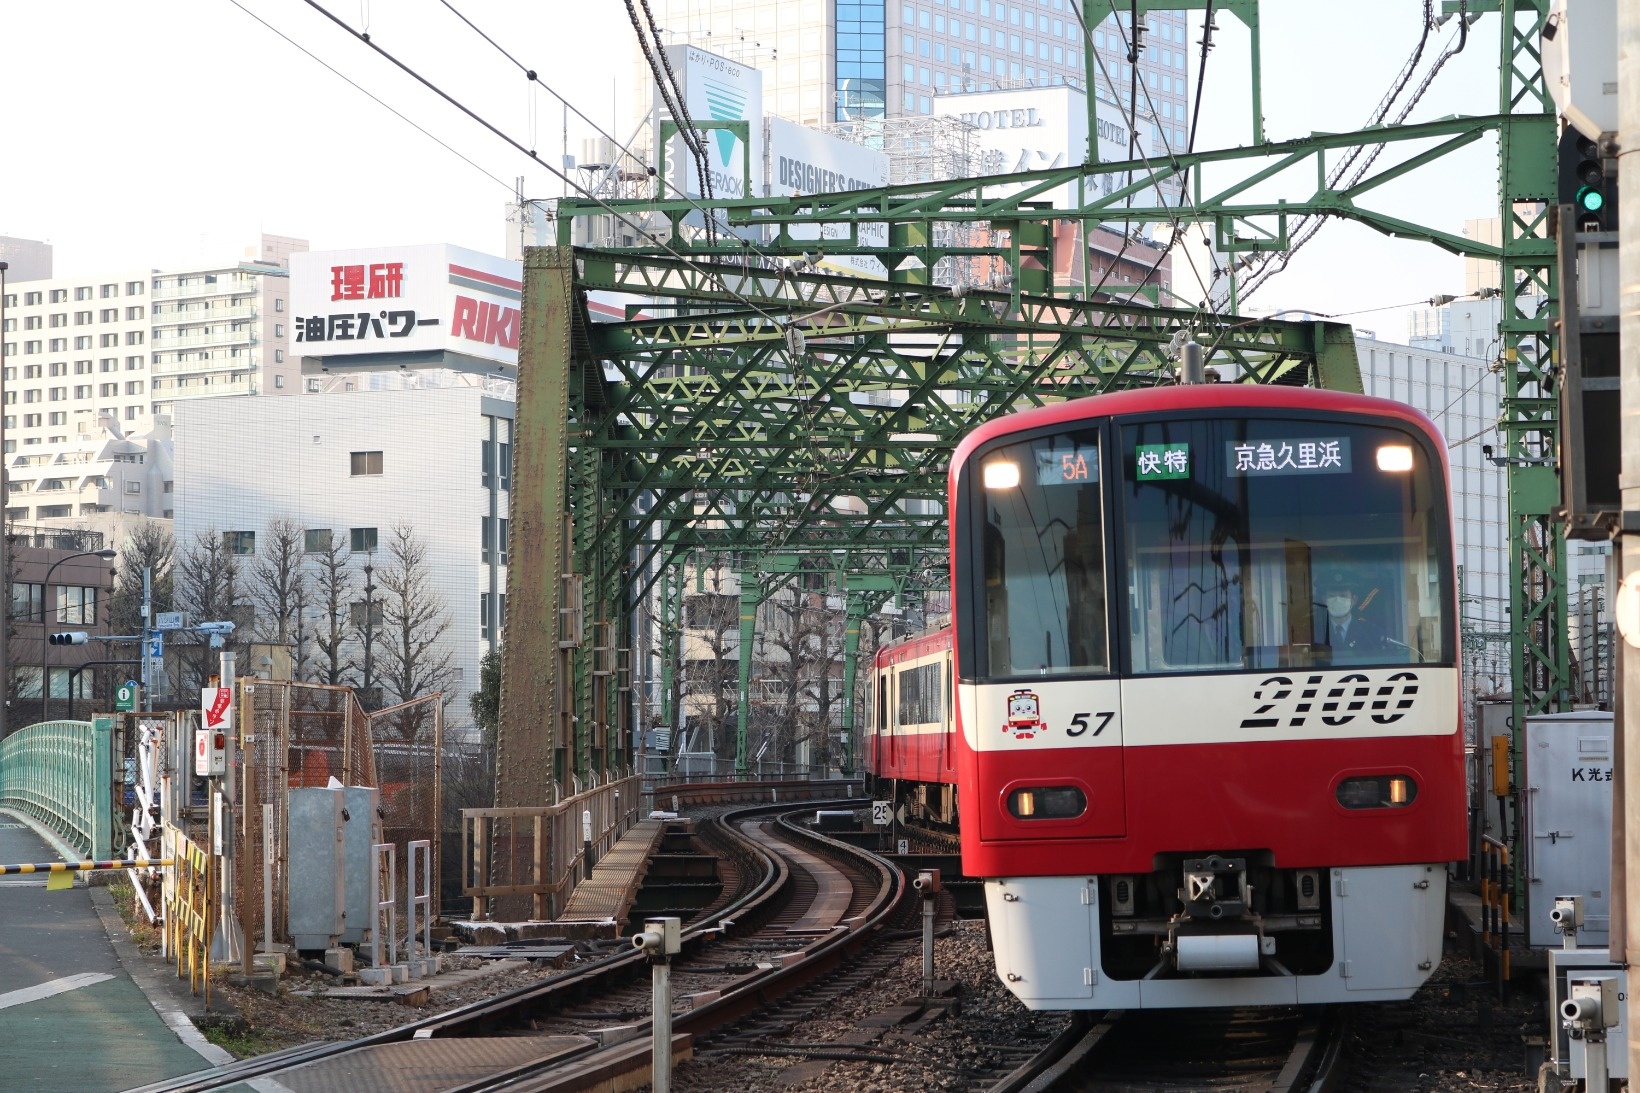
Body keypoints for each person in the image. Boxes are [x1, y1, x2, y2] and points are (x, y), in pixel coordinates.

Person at [1317, 568, 1387, 662]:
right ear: (1324, 600)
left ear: (1354, 600)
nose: (1337, 600)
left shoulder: (1370, 633)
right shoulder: (1315, 633)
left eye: (1343, 596)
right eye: (1332, 596)